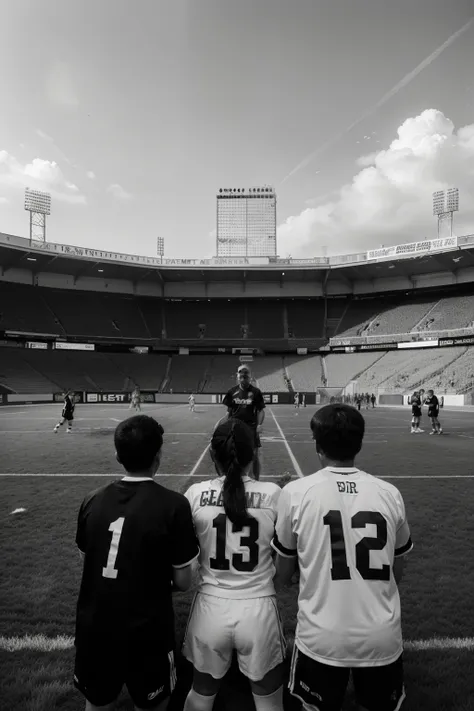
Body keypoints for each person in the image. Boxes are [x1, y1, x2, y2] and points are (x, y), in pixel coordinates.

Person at [272, 404, 413, 711]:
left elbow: (282, 573)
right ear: (359, 443)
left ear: (318, 444)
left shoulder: (295, 492)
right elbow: (396, 572)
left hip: (320, 635)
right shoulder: (389, 493)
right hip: (381, 635)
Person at [74, 415, 200, 711]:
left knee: (96, 704)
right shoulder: (174, 505)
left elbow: (87, 560)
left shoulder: (92, 499)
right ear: (158, 456)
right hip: (148, 631)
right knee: (153, 705)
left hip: (96, 627)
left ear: (117, 455)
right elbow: (183, 581)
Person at [182, 418, 285, 711]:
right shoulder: (274, 494)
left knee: (201, 695)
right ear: (253, 454)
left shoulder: (194, 494)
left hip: (210, 608)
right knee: (268, 703)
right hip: (258, 610)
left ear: (213, 454)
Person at [222, 364, 265, 480]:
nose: (243, 375)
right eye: (241, 373)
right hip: (234, 428)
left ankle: (256, 480)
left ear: (250, 376)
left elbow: (261, 411)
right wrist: (223, 425)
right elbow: (229, 412)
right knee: (233, 454)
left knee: (255, 455)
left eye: (246, 373)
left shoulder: (256, 392)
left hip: (251, 428)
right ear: (237, 376)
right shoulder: (231, 392)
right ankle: (232, 478)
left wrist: (259, 425)